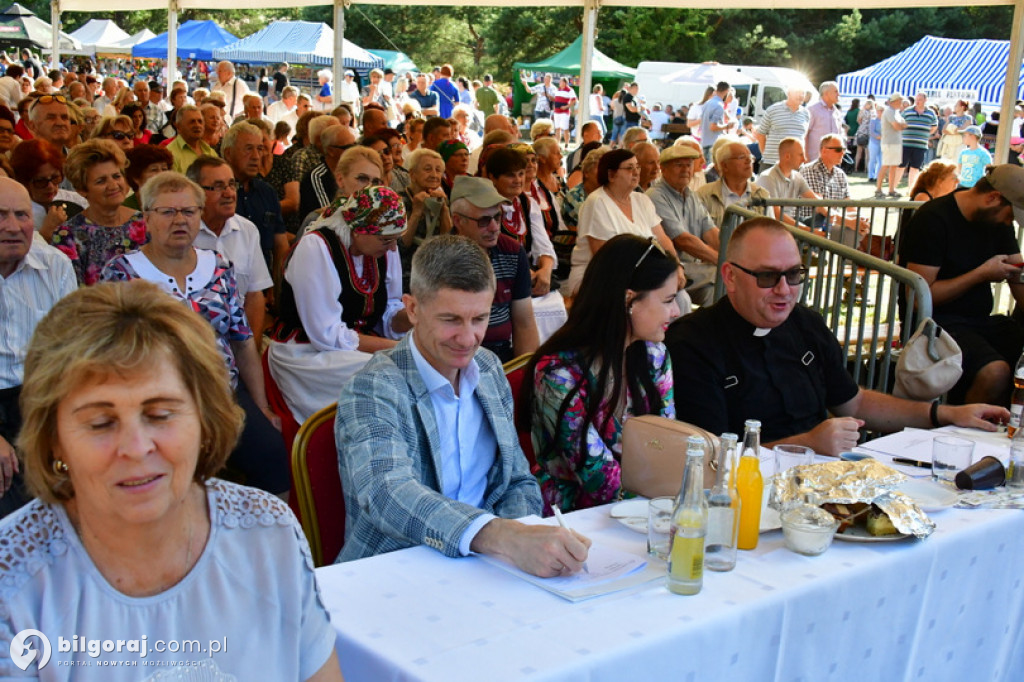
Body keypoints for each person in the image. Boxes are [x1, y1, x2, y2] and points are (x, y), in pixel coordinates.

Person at [0, 279, 342, 678]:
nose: (136, 447)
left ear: (204, 420)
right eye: (100, 422)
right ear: (54, 439)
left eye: (160, 414)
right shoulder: (15, 582)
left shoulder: (268, 532)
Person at [335, 234, 590, 576]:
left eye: (479, 319)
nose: (468, 339)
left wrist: (520, 544)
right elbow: (388, 493)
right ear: (412, 309)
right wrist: (505, 537)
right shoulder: (374, 387)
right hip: (396, 571)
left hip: (486, 566)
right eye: (451, 320)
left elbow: (516, 479)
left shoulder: (487, 368)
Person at [665, 217, 1009, 454]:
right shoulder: (693, 343)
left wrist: (945, 415)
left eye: (794, 274)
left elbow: (855, 402)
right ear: (731, 276)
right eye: (767, 277)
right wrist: (806, 444)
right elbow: (709, 458)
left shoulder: (806, 325)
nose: (784, 290)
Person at [99, 171, 288, 496]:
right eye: (167, 212)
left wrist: (262, 407)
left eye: (188, 211)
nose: (179, 220)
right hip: (157, 404)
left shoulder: (216, 265)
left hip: (222, 395)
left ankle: (260, 539)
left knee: (273, 457)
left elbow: (242, 342)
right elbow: (109, 355)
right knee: (180, 477)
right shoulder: (122, 273)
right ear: (147, 217)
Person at [526, 234, 679, 512]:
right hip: (572, 519)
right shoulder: (558, 374)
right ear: (629, 300)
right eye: (668, 300)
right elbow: (599, 478)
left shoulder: (654, 356)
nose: (676, 311)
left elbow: (666, 445)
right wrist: (670, 504)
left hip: (645, 508)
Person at [268, 186, 410, 424]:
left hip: (356, 345)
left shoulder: (384, 247)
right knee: (388, 376)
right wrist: (397, 349)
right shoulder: (316, 247)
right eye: (387, 240)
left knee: (414, 368)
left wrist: (413, 317)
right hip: (306, 353)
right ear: (358, 231)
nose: (394, 248)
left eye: (397, 239)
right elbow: (326, 335)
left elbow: (388, 310)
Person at [900, 165, 1024, 406]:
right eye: (1010, 216)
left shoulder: (998, 221)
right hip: (933, 324)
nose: (1010, 223)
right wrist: (980, 274)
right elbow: (919, 299)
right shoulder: (933, 219)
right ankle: (959, 432)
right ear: (993, 198)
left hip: (979, 322)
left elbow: (1018, 272)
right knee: (994, 373)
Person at [0, 177, 75, 518]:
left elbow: (70, 352)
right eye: (0, 215)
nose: (13, 227)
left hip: (40, 399)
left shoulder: (55, 265)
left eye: (22, 215)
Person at [450, 175, 539, 362]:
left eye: (498, 217)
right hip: (456, 353)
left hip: (500, 353)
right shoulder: (442, 256)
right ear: (458, 221)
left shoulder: (513, 252)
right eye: (483, 221)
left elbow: (524, 322)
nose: (494, 227)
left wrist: (525, 372)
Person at [567, 148, 677, 297]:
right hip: (599, 279)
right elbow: (603, 257)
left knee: (680, 297)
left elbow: (663, 240)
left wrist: (677, 267)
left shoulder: (642, 200)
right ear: (611, 175)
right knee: (650, 299)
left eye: (637, 166)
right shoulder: (597, 202)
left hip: (640, 275)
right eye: (629, 168)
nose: (636, 172)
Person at [51, 139, 146, 286]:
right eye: (101, 181)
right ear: (82, 190)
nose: (113, 185)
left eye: (116, 176)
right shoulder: (67, 235)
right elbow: (72, 293)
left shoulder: (146, 223)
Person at [647, 144, 720, 305]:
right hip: (670, 268)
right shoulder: (655, 195)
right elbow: (682, 240)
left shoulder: (691, 195)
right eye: (678, 165)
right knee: (721, 273)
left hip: (693, 270)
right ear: (663, 169)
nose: (685, 170)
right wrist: (722, 259)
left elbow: (711, 231)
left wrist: (733, 255)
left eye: (689, 165)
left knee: (715, 291)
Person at [10, 138, 87, 244]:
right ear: (23, 181)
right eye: (40, 181)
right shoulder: (13, 213)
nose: (50, 186)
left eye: (55, 178)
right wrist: (46, 231)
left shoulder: (78, 201)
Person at [875, 93, 908, 199]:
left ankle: (891, 189)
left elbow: (902, 125)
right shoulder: (889, 111)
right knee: (886, 165)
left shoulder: (895, 112)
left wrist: (902, 125)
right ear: (896, 101)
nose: (902, 103)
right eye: (900, 101)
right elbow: (898, 126)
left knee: (893, 166)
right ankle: (879, 189)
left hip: (895, 142)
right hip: (890, 143)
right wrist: (902, 126)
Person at [123, 143, 173, 210]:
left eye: (164, 169)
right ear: (136, 177)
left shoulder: (176, 203)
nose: (161, 174)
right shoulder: (124, 209)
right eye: (154, 170)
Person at [804, 81, 843, 162]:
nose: (838, 94)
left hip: (832, 161)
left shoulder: (837, 113)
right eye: (836, 91)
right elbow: (805, 134)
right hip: (814, 160)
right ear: (826, 94)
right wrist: (805, 156)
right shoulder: (812, 110)